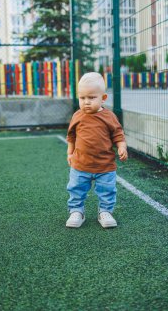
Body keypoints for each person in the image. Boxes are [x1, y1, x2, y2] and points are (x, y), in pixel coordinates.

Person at [66, 72, 127, 229]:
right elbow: (71, 136)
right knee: (76, 188)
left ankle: (105, 212)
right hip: (80, 164)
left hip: (105, 166)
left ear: (103, 98)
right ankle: (76, 211)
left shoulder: (109, 117)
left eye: (91, 98)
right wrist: (69, 153)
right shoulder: (77, 116)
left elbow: (118, 135)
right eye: (82, 98)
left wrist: (121, 147)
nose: (86, 102)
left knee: (107, 190)